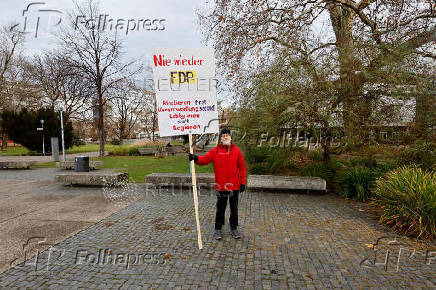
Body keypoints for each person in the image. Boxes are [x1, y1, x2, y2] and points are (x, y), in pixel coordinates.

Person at [188, 128, 246, 240]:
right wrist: (195, 158)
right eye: (223, 135)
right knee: (221, 208)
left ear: (230, 137)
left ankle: (234, 228)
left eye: (227, 135)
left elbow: (242, 168)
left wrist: (242, 182)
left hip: (234, 185)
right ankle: (218, 229)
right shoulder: (215, 151)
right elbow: (204, 159)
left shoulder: (236, 151)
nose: (225, 137)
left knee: (234, 208)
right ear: (220, 138)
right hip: (221, 186)